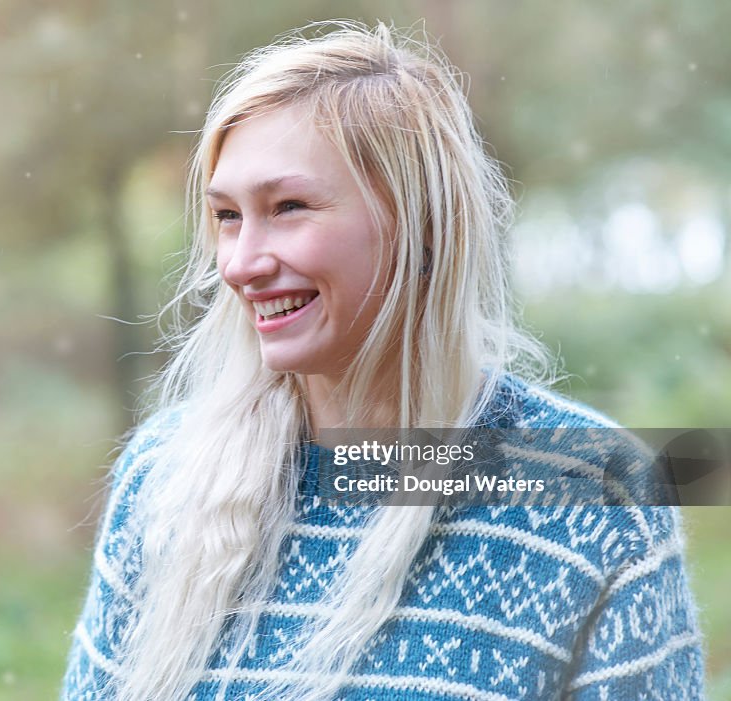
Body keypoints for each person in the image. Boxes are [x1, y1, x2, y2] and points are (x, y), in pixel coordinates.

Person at [62, 21, 705, 701]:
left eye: (288, 207)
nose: (242, 263)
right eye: (227, 215)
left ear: (422, 224)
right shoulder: (164, 477)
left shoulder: (596, 500)